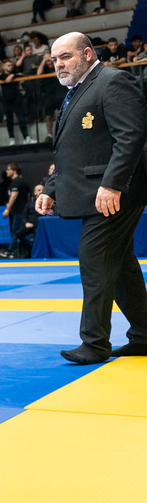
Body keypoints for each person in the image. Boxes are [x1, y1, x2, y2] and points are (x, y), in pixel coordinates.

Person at [36, 32, 147, 364]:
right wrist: (50, 189)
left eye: (65, 56)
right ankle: (144, 335)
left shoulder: (112, 82)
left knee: (94, 258)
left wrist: (113, 184)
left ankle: (95, 343)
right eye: (54, 59)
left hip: (116, 194)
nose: (58, 64)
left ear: (87, 54)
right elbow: (73, 153)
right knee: (121, 266)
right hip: (95, 193)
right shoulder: (75, 92)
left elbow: (132, 136)